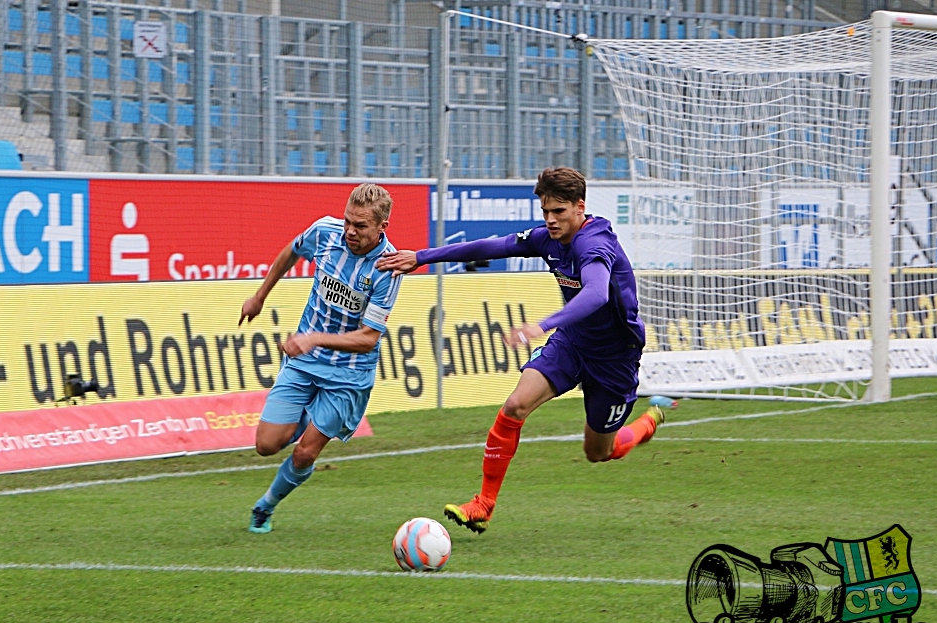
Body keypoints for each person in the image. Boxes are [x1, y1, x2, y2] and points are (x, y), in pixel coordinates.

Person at [376, 167, 676, 534]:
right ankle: (482, 505)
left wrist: (543, 324)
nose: (550, 220)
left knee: (598, 452)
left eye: (559, 212)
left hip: (614, 358)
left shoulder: (593, 243)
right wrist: (421, 257)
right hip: (572, 342)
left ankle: (647, 423)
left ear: (580, 207)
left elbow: (596, 294)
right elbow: (491, 246)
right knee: (515, 405)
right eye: (546, 211)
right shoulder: (548, 238)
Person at [239, 183, 403, 534]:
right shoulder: (325, 232)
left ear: (381, 228)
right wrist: (260, 296)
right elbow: (291, 251)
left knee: (304, 454)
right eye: (348, 221)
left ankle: (265, 507)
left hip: (348, 374)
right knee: (266, 445)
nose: (350, 231)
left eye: (360, 226)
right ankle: (302, 420)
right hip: (304, 363)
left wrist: (315, 338)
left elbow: (367, 338)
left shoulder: (387, 268)